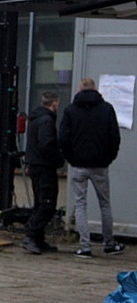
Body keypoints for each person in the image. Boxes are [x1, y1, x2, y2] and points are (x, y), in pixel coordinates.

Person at [59, 78, 125, 259]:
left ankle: (85, 246)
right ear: (96, 89)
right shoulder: (107, 109)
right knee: (105, 203)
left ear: (80, 90)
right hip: (100, 165)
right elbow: (114, 137)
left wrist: (70, 158)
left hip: (79, 165)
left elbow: (63, 138)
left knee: (80, 204)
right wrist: (109, 158)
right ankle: (109, 244)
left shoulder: (71, 110)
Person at [21, 91, 65, 255]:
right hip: (44, 166)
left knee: (41, 202)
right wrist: (58, 159)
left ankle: (38, 239)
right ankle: (31, 235)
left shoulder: (35, 119)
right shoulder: (46, 121)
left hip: (35, 165)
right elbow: (46, 144)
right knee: (47, 203)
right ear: (54, 103)